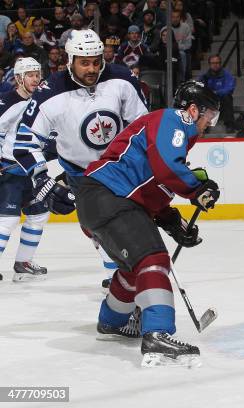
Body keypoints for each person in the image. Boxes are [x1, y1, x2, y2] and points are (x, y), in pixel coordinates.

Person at [78, 80, 221, 367]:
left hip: (100, 200)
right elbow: (167, 167)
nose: (210, 124)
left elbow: (149, 188)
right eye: (209, 117)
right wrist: (196, 188)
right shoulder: (174, 119)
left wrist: (170, 220)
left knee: (134, 270)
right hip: (109, 195)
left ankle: (112, 322)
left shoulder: (167, 134)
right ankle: (158, 333)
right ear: (193, 110)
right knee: (153, 259)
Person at [12, 29, 149, 288]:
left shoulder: (121, 79)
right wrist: (42, 181)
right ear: (70, 59)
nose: (92, 68)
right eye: (84, 62)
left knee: (131, 224)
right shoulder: (48, 92)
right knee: (96, 228)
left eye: (96, 62)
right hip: (79, 174)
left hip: (119, 167)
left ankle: (127, 275)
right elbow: (24, 144)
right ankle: (117, 276)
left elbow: (143, 126)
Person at [0, 58, 49, 282]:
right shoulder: (9, 101)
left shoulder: (41, 100)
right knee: (7, 220)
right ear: (19, 78)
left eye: (37, 74)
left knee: (38, 214)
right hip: (9, 171)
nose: (35, 79)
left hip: (31, 172)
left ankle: (23, 262)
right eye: (30, 75)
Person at [197, 54, 237, 132]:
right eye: (213, 63)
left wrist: (215, 92)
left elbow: (229, 88)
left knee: (227, 97)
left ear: (220, 63)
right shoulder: (204, 77)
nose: (215, 65)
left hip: (222, 102)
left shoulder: (226, 75)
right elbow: (199, 88)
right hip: (210, 103)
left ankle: (229, 124)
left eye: (217, 62)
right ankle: (205, 125)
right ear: (209, 64)